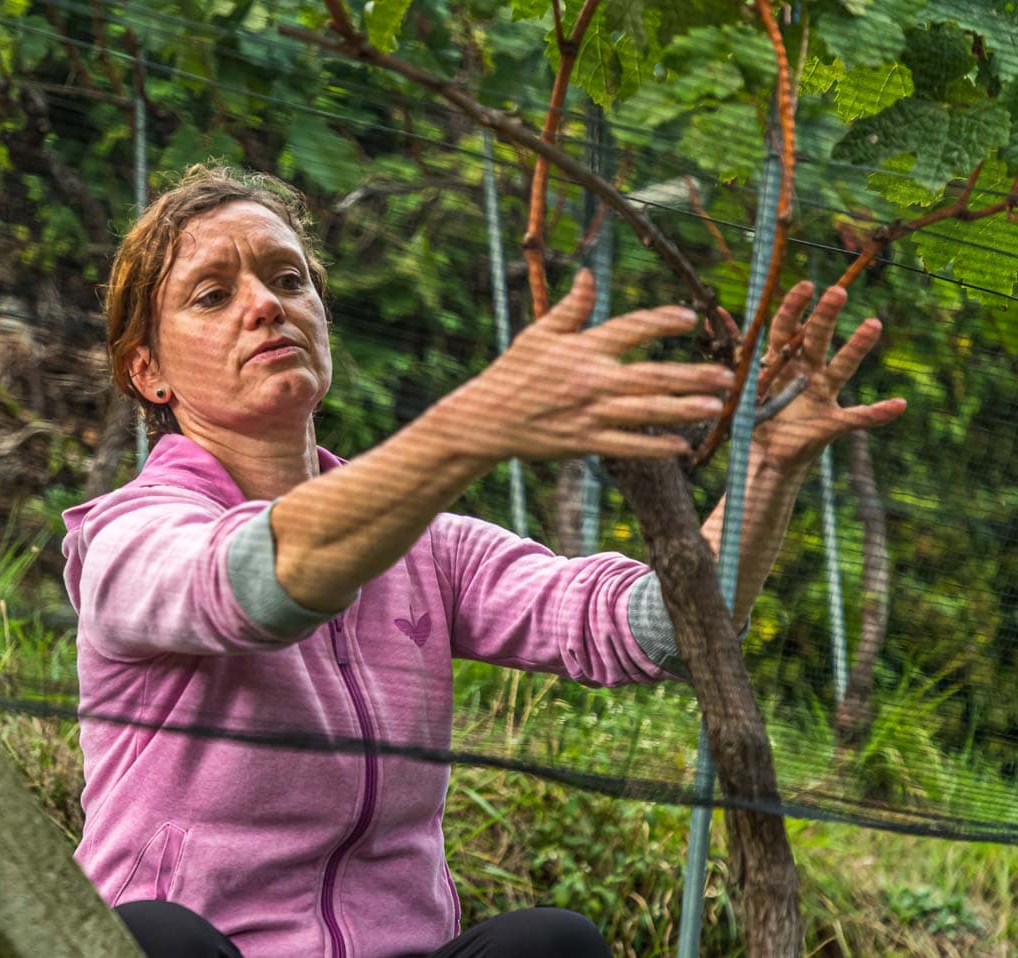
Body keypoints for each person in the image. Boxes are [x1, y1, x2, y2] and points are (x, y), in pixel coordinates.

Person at [61, 165, 905, 957]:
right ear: (148, 369)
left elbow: (652, 628)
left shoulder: (428, 549)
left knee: (552, 944)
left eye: (289, 279)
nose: (265, 305)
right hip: (209, 948)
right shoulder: (129, 538)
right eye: (213, 295)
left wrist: (767, 468)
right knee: (148, 939)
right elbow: (256, 583)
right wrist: (470, 429)